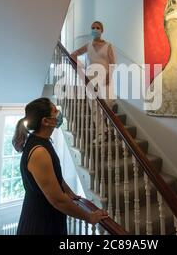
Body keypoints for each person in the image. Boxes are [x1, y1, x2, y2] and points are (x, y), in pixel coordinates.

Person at [12, 98, 108, 235]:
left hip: (49, 217)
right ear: (45, 121)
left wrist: (70, 193)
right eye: (55, 111)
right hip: (40, 223)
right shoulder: (39, 152)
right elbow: (58, 200)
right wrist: (89, 217)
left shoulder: (43, 141)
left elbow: (55, 177)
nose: (59, 113)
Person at [71, 21, 117, 140]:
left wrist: (109, 76)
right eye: (93, 28)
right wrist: (81, 68)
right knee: (94, 107)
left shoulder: (108, 46)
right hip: (90, 80)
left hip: (104, 79)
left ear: (102, 30)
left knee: (107, 103)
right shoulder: (88, 45)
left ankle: (104, 128)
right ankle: (101, 133)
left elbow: (112, 63)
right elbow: (73, 55)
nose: (95, 29)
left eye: (97, 27)